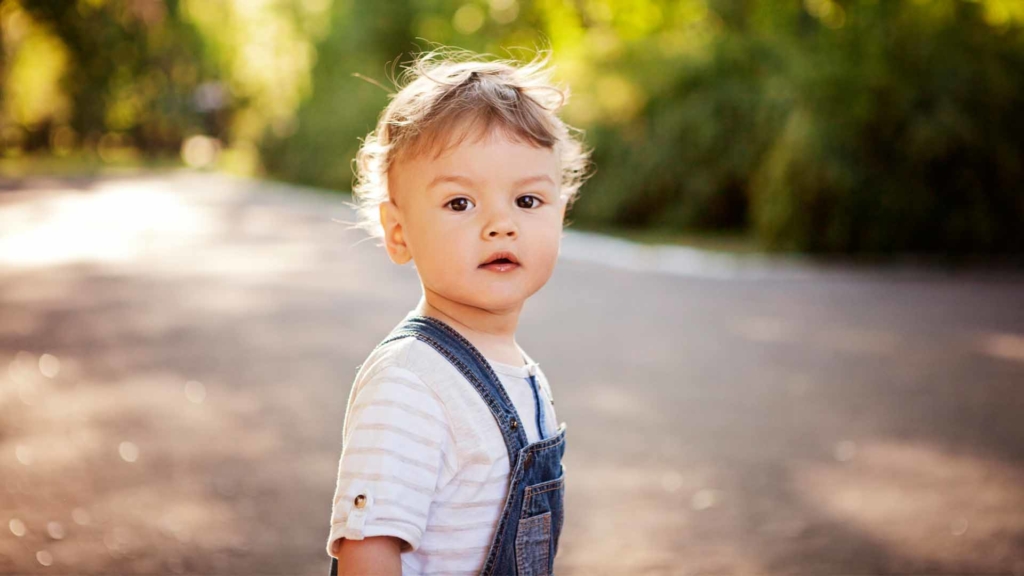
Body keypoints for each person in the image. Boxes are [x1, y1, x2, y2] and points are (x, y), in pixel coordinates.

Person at [326, 46, 592, 576]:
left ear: (560, 213)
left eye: (527, 201)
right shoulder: (410, 382)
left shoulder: (518, 370)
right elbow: (369, 551)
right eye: (460, 203)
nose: (501, 224)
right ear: (398, 232)